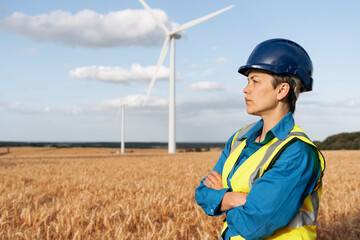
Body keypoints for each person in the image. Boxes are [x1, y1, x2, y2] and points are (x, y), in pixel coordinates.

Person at [195, 38, 325, 240]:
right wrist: (239, 199)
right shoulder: (239, 139)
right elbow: (202, 193)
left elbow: (254, 224)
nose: (245, 89)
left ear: (282, 90)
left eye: (255, 81)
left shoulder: (298, 152)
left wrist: (221, 196)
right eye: (247, 81)